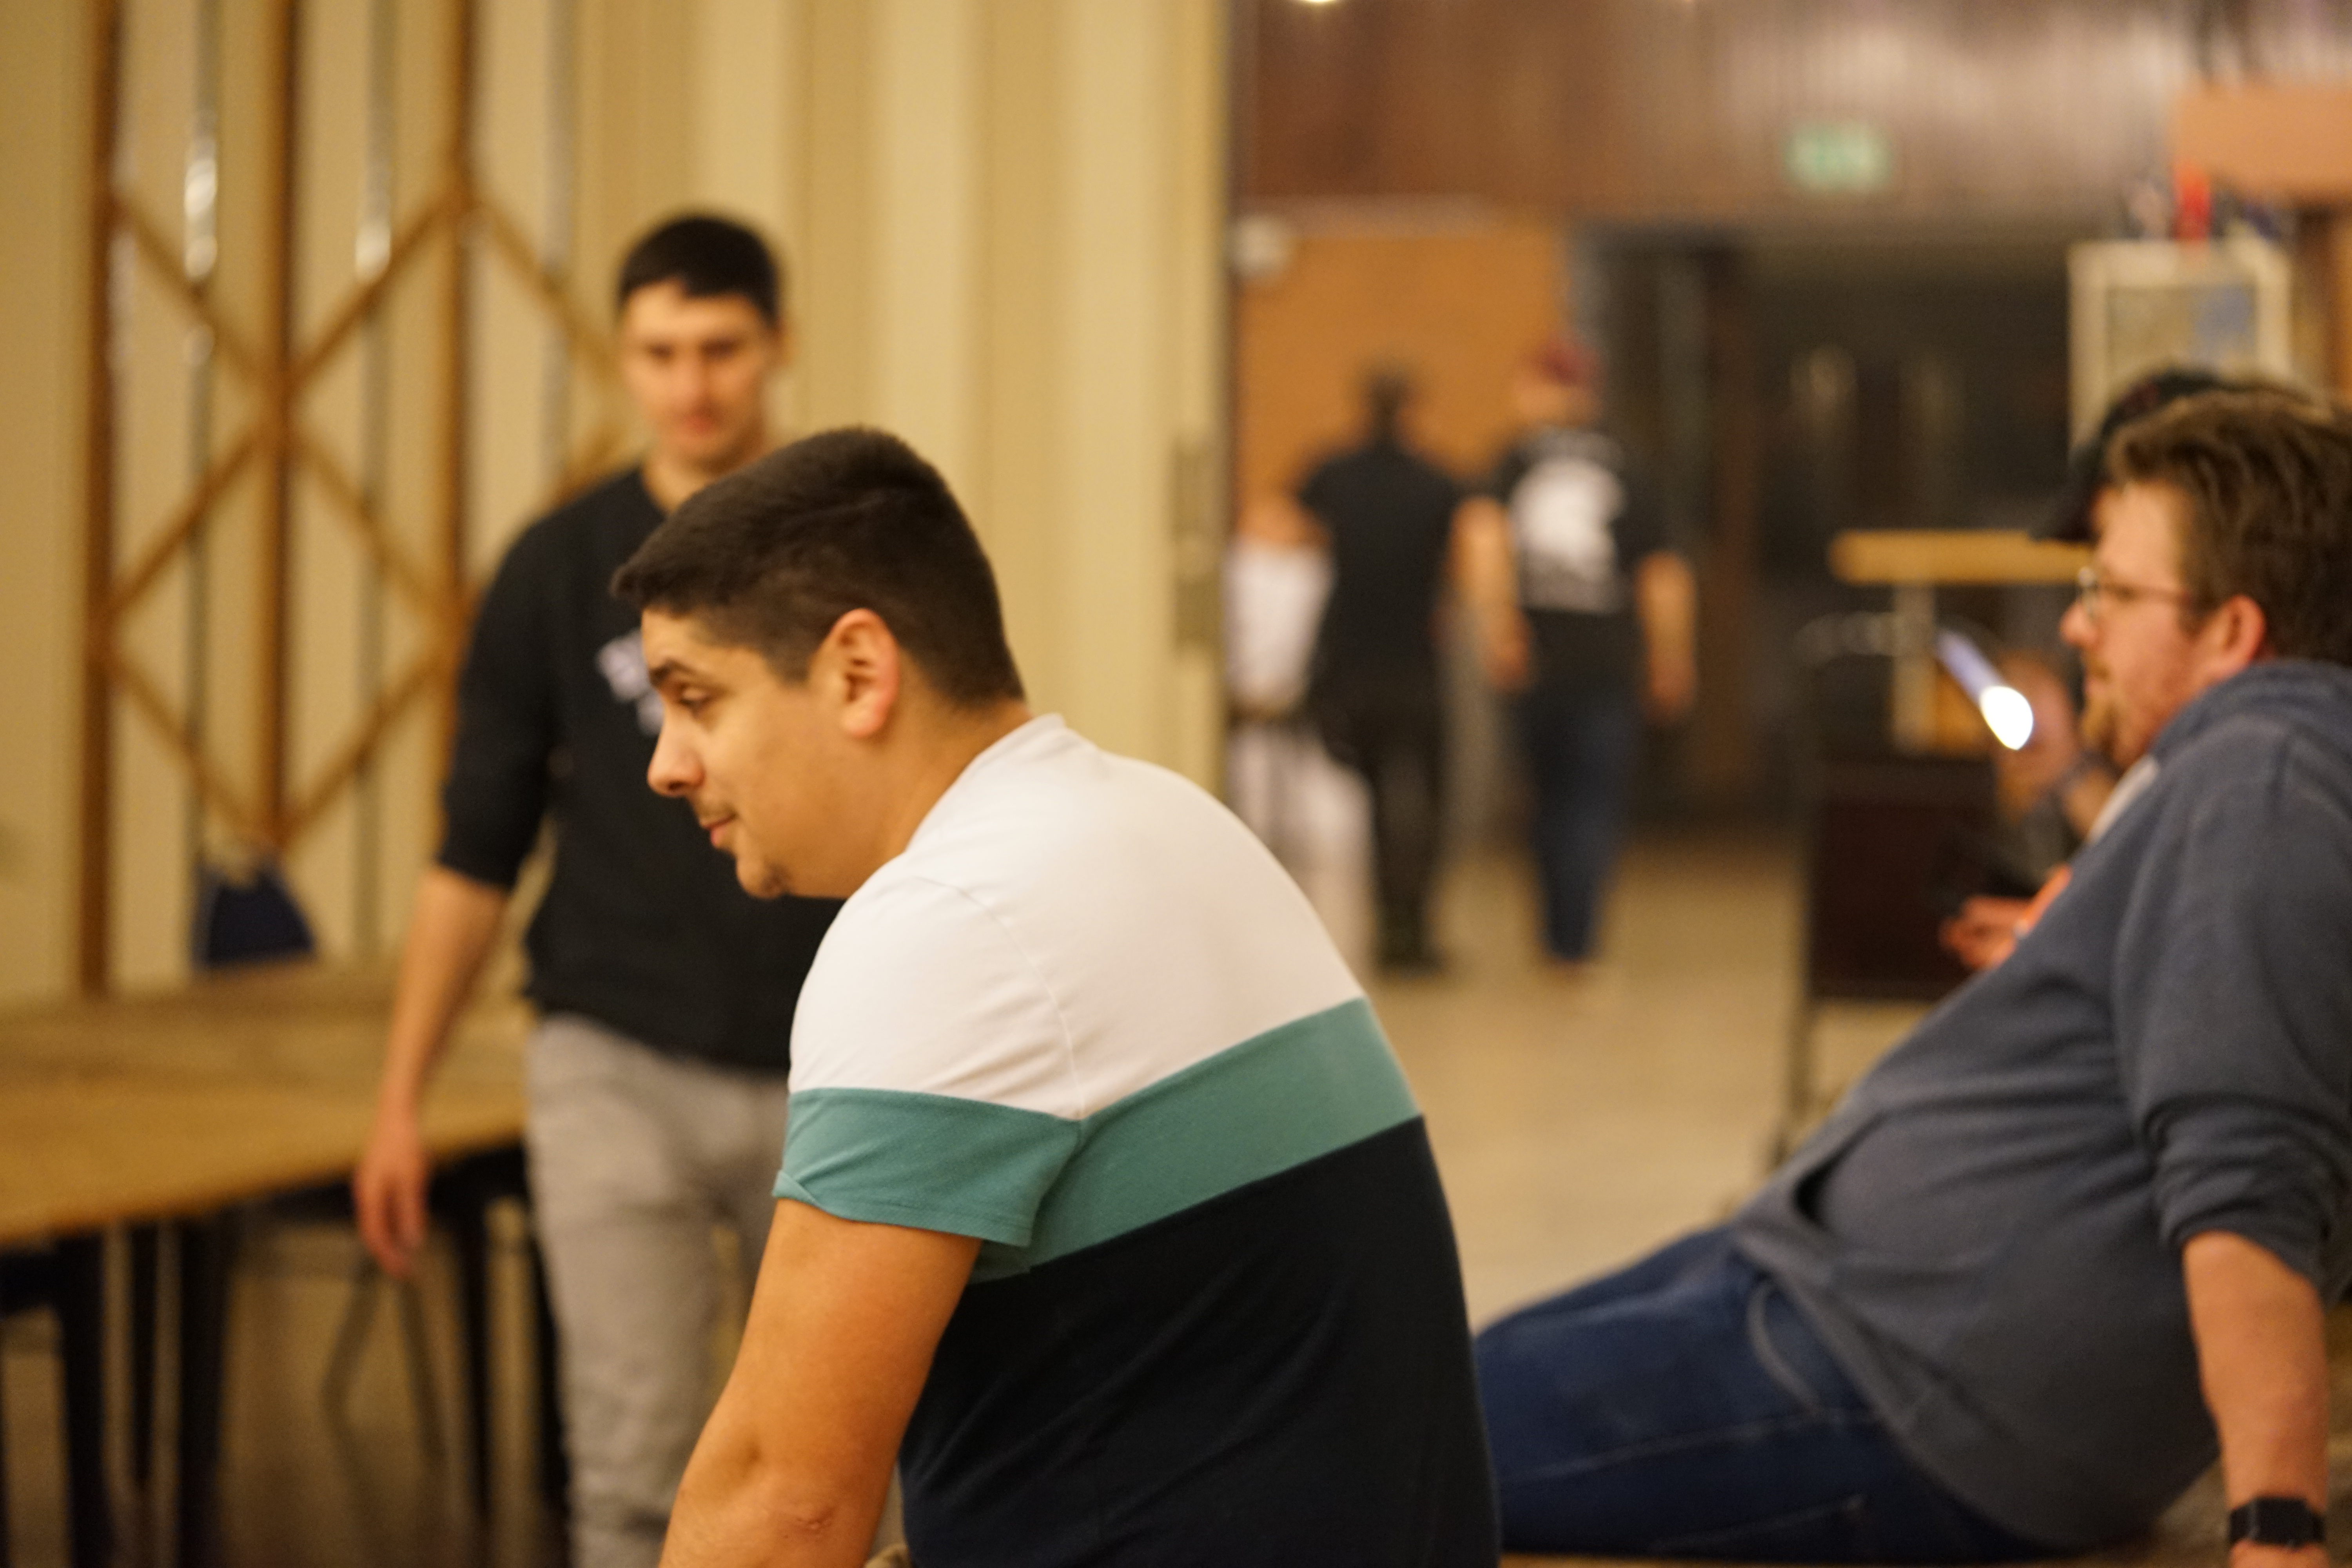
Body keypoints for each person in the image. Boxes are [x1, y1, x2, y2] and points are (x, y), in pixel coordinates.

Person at [1474, 387, 2352, 1562]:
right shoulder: (2257, 772)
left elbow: (2250, 1178)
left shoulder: (2265, 776)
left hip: (1898, 1377)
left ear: (2235, 632)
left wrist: (2276, 1529)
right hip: (1838, 1297)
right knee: (1423, 1388)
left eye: (2111, 591)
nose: (2079, 625)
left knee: (1359, 1445)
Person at [612, 428, 1498, 1567]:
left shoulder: (951, 921)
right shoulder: (1172, 818)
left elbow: (783, 1502)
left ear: (858, 673)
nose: (667, 763)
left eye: (697, 699)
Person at [353, 214, 838, 1568]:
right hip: (615, 1060)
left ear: (778, 345)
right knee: (632, 1474)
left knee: (842, 1477)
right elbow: (475, 851)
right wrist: (399, 1100)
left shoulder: (852, 552)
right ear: (622, 359)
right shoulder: (558, 568)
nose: (692, 384)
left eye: (721, 349)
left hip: (836, 1059)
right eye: (659, 353)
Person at [1456, 338, 1696, 968]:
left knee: (1542, 800)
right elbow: (1662, 573)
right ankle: (1578, 942)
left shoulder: (1513, 459)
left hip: (1534, 659)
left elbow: (1482, 540)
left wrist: (1498, 627)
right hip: (1607, 660)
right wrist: (1670, 655)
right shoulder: (1632, 464)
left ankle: (1552, 933)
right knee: (1591, 801)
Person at [1295, 364, 1465, 972]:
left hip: (1350, 662)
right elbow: (1467, 560)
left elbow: (1286, 529)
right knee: (1427, 802)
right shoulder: (1439, 483)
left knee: (1369, 805)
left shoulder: (1332, 474)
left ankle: (1383, 926)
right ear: (1415, 408)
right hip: (1415, 664)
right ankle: (1413, 929)